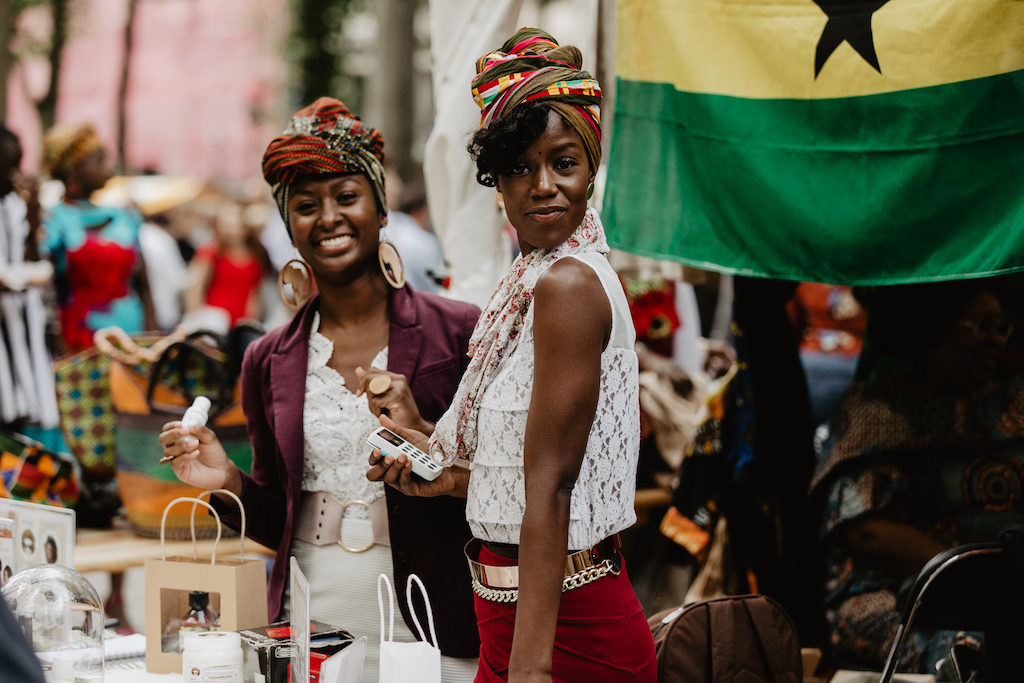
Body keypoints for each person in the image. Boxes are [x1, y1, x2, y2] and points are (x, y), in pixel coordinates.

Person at [368, 29, 657, 683]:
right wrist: (443, 471)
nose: (544, 185)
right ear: (496, 183)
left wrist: (529, 669)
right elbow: (535, 470)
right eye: (520, 167)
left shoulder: (567, 285)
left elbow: (553, 486)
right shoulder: (531, 282)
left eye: (563, 162)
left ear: (591, 167)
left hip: (563, 635)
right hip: (517, 619)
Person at [159, 98, 481, 683]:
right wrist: (224, 481)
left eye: (347, 197)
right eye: (306, 206)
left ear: (381, 210)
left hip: (436, 619)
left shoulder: (458, 330)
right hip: (313, 625)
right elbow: (276, 515)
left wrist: (425, 439)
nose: (328, 217)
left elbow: (505, 485)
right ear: (289, 228)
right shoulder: (265, 357)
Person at [811, 278, 1023, 672]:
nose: (995, 339)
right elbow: (870, 533)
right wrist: (990, 579)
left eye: (1000, 327)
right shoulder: (876, 409)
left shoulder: (1014, 404)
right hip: (901, 591)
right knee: (972, 653)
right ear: (934, 328)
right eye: (980, 326)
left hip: (1011, 584)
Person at [41, 124, 155, 351]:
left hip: (132, 337)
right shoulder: (52, 222)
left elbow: (143, 284)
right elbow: (48, 292)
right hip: (77, 341)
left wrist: (152, 336)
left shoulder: (126, 217)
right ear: (73, 171)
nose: (109, 167)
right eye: (99, 161)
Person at [0, 126, 59, 430]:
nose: (13, 174)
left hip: (20, 326)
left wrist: (33, 211)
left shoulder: (13, 205)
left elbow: (31, 258)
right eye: (7, 166)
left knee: (18, 412)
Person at [184, 198, 272, 328]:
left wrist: (253, 319)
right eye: (227, 224)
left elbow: (255, 292)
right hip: (215, 322)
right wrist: (196, 319)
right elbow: (195, 288)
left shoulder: (257, 252)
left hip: (243, 324)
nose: (232, 230)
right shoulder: (211, 250)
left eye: (236, 223)